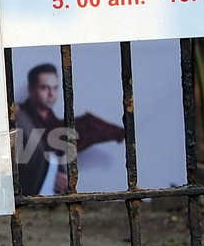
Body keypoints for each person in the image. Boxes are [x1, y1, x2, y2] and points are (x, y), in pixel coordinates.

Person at [15, 63, 125, 195]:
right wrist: (48, 176)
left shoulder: (54, 124)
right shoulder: (18, 117)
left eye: (55, 88)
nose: (51, 94)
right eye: (44, 88)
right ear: (31, 89)